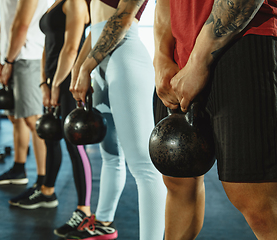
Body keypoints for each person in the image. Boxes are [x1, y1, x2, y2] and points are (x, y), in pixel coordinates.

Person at [153, 0, 277, 239]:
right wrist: (162, 56)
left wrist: (198, 61)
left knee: (260, 203)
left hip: (246, 34)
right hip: (179, 59)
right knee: (178, 183)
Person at [66, 0, 167, 239]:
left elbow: (123, 17)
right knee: (110, 155)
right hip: (100, 58)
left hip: (124, 57)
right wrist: (78, 68)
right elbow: (96, 28)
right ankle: (101, 223)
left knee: (144, 166)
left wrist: (85, 68)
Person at [8, 0, 93, 238]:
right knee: (51, 136)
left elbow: (71, 47)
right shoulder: (56, 3)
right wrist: (44, 82)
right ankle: (47, 191)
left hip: (69, 80)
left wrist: (56, 84)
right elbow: (48, 47)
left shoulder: (75, 3)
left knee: (75, 145)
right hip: (52, 81)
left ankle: (84, 211)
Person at [0, 0, 48, 192]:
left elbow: (22, 26)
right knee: (16, 118)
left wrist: (8, 61)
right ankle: (18, 169)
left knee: (34, 120)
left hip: (28, 56)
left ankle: (43, 182)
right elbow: (3, 24)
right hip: (11, 57)